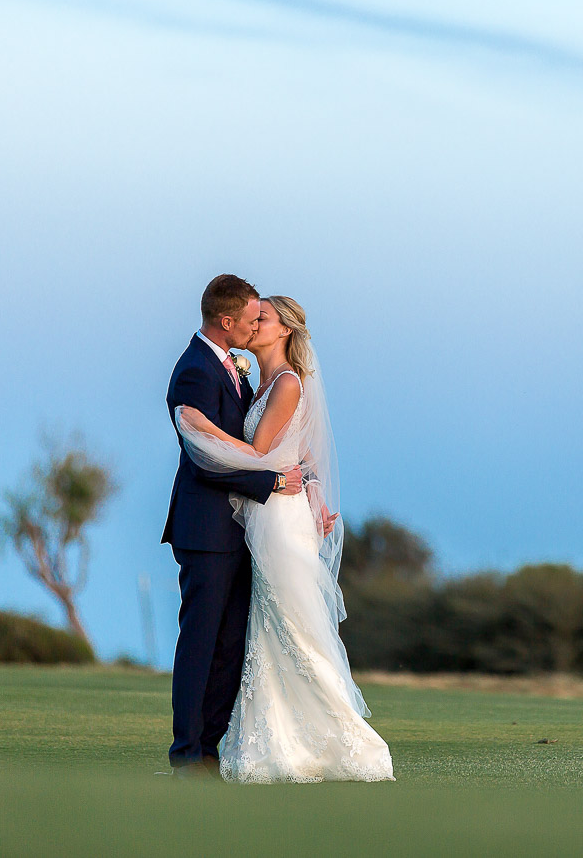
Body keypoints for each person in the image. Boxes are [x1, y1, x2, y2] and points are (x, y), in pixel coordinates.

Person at [172, 288, 395, 783]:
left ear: (285, 330)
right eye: (252, 318)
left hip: (276, 517)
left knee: (291, 624)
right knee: (260, 631)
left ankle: (339, 736)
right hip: (255, 515)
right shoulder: (253, 379)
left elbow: (260, 449)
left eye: (264, 319)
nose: (255, 325)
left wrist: (202, 429)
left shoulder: (286, 382)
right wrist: (305, 483)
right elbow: (286, 453)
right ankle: (229, 746)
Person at [162, 274, 303, 777]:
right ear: (227, 323)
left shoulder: (235, 368)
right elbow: (204, 459)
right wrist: (270, 484)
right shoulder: (195, 371)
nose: (253, 325)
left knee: (229, 644)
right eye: (249, 319)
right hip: (207, 530)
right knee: (201, 641)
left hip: (242, 530)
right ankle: (187, 754)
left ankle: (209, 747)